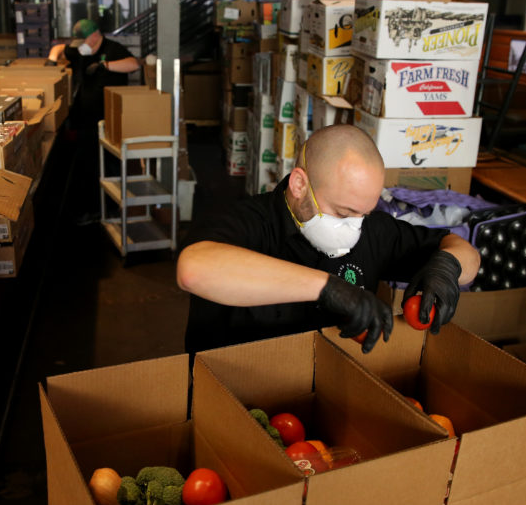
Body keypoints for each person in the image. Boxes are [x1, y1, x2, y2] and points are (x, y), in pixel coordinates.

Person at [176, 124, 481, 354]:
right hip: (231, 392)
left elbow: (464, 250)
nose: (354, 226)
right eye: (342, 211)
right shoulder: (249, 221)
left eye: (363, 212)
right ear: (299, 184)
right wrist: (326, 288)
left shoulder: (372, 230)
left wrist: (448, 267)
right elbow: (193, 269)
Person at [47, 18, 140, 223]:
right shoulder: (80, 50)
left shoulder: (113, 49)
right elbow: (59, 48)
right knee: (88, 165)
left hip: (110, 117)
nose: (81, 44)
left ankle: (112, 208)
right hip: (86, 119)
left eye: (84, 40)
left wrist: (105, 65)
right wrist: (52, 59)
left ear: (96, 35)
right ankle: (91, 209)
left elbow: (133, 64)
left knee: (110, 163)